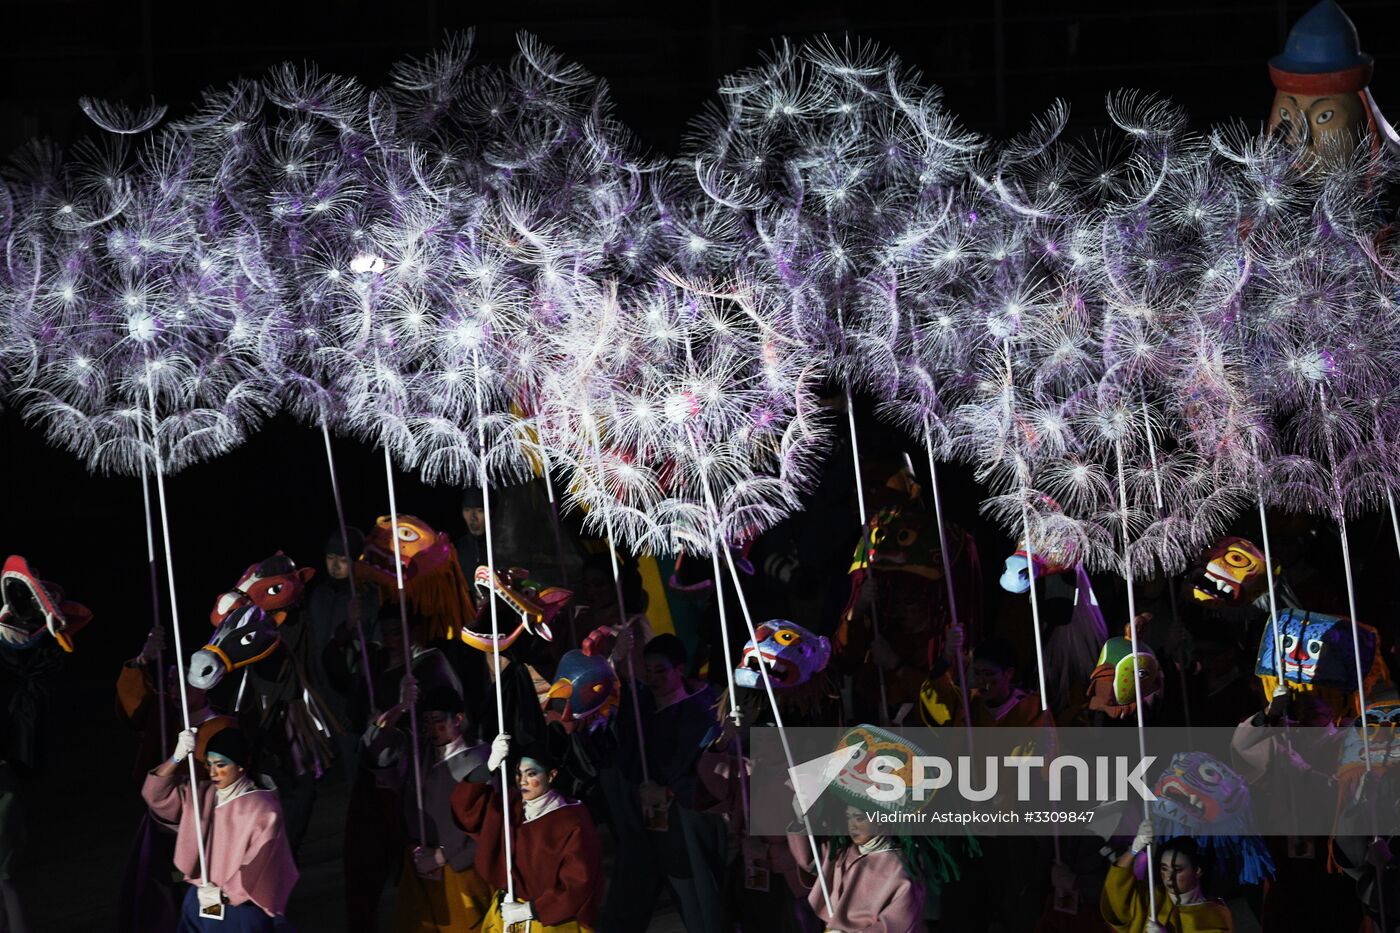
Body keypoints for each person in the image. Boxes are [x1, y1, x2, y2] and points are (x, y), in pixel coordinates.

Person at [599, 634, 726, 933]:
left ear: (679, 670)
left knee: (702, 894)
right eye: (649, 670)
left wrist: (668, 790)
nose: (653, 678)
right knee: (676, 887)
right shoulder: (643, 705)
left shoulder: (700, 712)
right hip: (655, 822)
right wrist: (615, 662)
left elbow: (707, 772)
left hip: (689, 817)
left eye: (661, 670)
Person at [365, 680, 492, 933]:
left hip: (461, 867)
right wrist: (400, 708)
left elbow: (488, 823)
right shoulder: (416, 752)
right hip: (419, 861)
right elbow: (375, 751)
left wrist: (444, 855)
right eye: (426, 722)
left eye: (438, 721)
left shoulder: (480, 760)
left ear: (458, 719)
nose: (431, 729)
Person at [142, 726, 298, 931]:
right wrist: (176, 758)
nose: (213, 772)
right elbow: (155, 795)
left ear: (241, 765)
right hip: (200, 898)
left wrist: (225, 895)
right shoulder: (202, 795)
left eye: (220, 765)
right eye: (209, 764)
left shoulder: (262, 808)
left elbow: (261, 863)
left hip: (238, 906)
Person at [451, 734, 604, 932]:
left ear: (551, 776)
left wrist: (531, 910)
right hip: (507, 912)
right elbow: (465, 809)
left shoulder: (571, 820)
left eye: (531, 774)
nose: (522, 780)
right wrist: (488, 767)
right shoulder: (509, 806)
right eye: (517, 773)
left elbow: (579, 882)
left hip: (550, 921)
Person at [305, 528, 379, 783]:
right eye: (330, 558)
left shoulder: (369, 597)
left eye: (343, 559)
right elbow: (314, 643)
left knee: (359, 766)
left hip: (352, 696)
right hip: (322, 692)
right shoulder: (319, 595)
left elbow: (373, 648)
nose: (335, 565)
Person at [785, 805, 923, 933]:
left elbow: (896, 924)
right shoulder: (841, 851)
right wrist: (800, 820)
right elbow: (809, 861)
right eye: (848, 817)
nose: (852, 825)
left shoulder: (900, 868)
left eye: (859, 818)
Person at [1101, 821, 1233, 933]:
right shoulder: (1152, 897)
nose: (1169, 877)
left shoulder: (1213, 915)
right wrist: (1135, 848)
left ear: (1197, 871)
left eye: (1177, 870)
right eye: (1164, 869)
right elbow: (1116, 892)